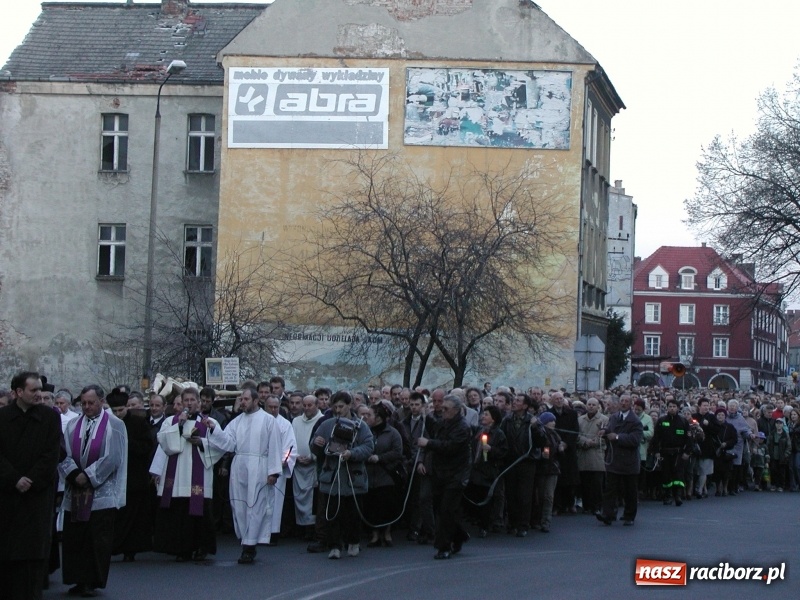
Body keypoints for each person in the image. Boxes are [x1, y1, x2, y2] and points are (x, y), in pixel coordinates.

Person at [60, 384, 128, 598]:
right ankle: (77, 579)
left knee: (95, 540)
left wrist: (88, 476)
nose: (87, 407)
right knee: (75, 538)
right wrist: (73, 474)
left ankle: (91, 580)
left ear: (101, 402)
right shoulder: (73, 424)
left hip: (100, 492)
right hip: (75, 489)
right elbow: (64, 453)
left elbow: (113, 456)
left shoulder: (114, 424)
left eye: (91, 403)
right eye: (84, 403)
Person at [0, 371, 62, 600]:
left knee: (32, 557)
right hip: (7, 495)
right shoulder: (3, 417)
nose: (39, 394)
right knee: (7, 556)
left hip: (37, 496)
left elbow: (51, 454)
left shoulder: (50, 418)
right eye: (33, 390)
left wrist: (31, 479)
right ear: (18, 392)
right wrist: (14, 478)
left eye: (40, 389)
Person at [154, 386, 232, 562]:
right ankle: (182, 549)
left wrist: (203, 442)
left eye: (192, 400)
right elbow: (164, 443)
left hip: (200, 475)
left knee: (200, 513)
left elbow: (225, 445)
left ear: (199, 402)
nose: (189, 404)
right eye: (186, 400)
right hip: (177, 476)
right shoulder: (171, 421)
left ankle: (202, 548)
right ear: (181, 403)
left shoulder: (209, 422)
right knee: (179, 513)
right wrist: (179, 426)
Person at [215, 386, 282, 564]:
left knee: (255, 505)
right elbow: (228, 442)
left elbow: (275, 446)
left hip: (259, 466)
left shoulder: (268, 420)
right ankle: (245, 539)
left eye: (246, 399)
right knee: (240, 505)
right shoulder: (237, 421)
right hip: (240, 466)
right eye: (241, 399)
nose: (242, 402)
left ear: (255, 400)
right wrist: (214, 429)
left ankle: (249, 546)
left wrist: (273, 471)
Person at [311, 390, 374, 559]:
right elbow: (315, 448)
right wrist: (317, 444)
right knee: (332, 514)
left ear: (349, 405)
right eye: (335, 407)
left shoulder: (361, 426)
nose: (338, 410)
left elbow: (369, 447)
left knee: (353, 514)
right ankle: (334, 546)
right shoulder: (326, 424)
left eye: (341, 406)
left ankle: (353, 542)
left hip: (353, 478)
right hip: (333, 478)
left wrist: (352, 453)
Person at [417, 394, 472, 560]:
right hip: (441, 472)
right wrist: (426, 415)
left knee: (447, 510)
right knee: (444, 508)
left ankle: (444, 546)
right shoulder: (445, 422)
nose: (442, 411)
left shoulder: (462, 427)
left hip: (456, 474)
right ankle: (459, 535)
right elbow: (435, 428)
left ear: (456, 410)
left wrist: (428, 443)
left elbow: (450, 447)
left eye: (446, 408)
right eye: (442, 408)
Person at [107, 389, 154, 562]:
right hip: (114, 476)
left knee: (134, 516)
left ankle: (131, 549)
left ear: (127, 407)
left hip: (135, 476)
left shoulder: (138, 423)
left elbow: (146, 447)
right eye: (115, 411)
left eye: (121, 410)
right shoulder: (108, 424)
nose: (118, 414)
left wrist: (128, 443)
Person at [596, 393, 643, 526]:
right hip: (614, 460)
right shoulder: (614, 417)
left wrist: (617, 437)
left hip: (629, 462)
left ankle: (629, 516)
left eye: (626, 401)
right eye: (622, 401)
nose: (623, 403)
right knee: (610, 489)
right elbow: (610, 430)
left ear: (631, 404)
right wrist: (604, 432)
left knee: (630, 491)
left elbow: (635, 440)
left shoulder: (635, 421)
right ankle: (608, 514)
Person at [364, 401, 404, 547]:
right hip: (369, 475)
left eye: (369, 415)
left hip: (386, 475)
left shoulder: (393, 433)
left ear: (379, 417)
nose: (366, 417)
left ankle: (387, 533)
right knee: (371, 506)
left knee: (386, 505)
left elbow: (398, 452)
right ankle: (374, 534)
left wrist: (380, 458)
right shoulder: (366, 432)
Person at [499, 392, 539, 537]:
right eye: (514, 400)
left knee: (525, 495)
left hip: (526, 462)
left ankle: (523, 524)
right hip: (510, 462)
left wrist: (535, 428)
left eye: (518, 401)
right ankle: (512, 523)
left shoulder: (531, 421)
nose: (514, 402)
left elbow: (540, 441)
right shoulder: (507, 420)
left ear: (525, 405)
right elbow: (501, 438)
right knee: (511, 494)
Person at [400, 391, 438, 545]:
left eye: (417, 405)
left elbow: (430, 445)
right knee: (410, 497)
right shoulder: (404, 422)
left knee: (421, 498)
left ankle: (420, 528)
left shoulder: (429, 422)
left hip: (422, 463)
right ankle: (413, 526)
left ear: (423, 406)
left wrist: (420, 461)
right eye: (412, 405)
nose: (414, 407)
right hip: (408, 462)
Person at [464, 405, 507, 538]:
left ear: (493, 419)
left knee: (486, 498)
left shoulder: (498, 434)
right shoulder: (479, 430)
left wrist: (491, 449)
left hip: (488, 470)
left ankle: (485, 525)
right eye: (483, 414)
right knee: (475, 495)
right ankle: (476, 521)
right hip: (476, 469)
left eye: (486, 415)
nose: (483, 416)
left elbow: (504, 452)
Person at [264, 395, 297, 541]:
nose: (273, 410)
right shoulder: (259, 421)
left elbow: (290, 447)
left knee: (275, 501)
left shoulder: (285, 424)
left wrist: (281, 463)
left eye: (275, 407)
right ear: (265, 407)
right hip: (260, 467)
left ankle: (273, 532)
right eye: (270, 407)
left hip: (277, 468)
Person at [292, 395, 324, 541]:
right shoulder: (296, 421)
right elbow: (291, 441)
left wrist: (312, 457)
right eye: (304, 405)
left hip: (313, 466)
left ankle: (314, 528)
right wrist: (295, 456)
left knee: (313, 499)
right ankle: (303, 528)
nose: (306, 408)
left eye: (309, 405)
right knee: (299, 497)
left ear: (317, 405)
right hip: (298, 465)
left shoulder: (322, 420)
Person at [651, 398, 693, 506]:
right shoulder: (661, 421)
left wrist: (687, 452)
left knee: (678, 475)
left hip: (679, 453)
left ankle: (677, 495)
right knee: (666, 475)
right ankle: (667, 496)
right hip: (665, 452)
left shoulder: (683, 421)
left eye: (674, 406)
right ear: (667, 408)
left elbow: (689, 439)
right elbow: (656, 438)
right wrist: (656, 451)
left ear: (678, 408)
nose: (672, 408)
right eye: (670, 406)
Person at [576, 397, 608, 515]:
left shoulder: (604, 419)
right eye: (589, 404)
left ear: (598, 406)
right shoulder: (580, 420)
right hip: (583, 453)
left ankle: (597, 506)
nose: (591, 406)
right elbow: (576, 435)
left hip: (596, 454)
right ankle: (586, 505)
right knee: (584, 482)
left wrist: (594, 442)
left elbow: (605, 437)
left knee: (597, 483)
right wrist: (585, 442)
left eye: (593, 405)